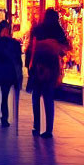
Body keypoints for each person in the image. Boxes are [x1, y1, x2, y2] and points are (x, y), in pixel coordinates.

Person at [26, 8, 71, 138]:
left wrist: (29, 64)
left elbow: (31, 47)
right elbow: (65, 48)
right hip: (51, 66)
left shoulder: (38, 29)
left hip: (38, 65)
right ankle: (49, 130)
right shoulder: (58, 31)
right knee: (48, 97)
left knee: (36, 96)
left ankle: (36, 125)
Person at [0, 20, 22, 128]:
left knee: (4, 94)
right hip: (3, 72)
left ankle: (4, 116)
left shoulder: (0, 43)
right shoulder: (5, 43)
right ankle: (2, 115)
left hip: (5, 72)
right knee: (2, 93)